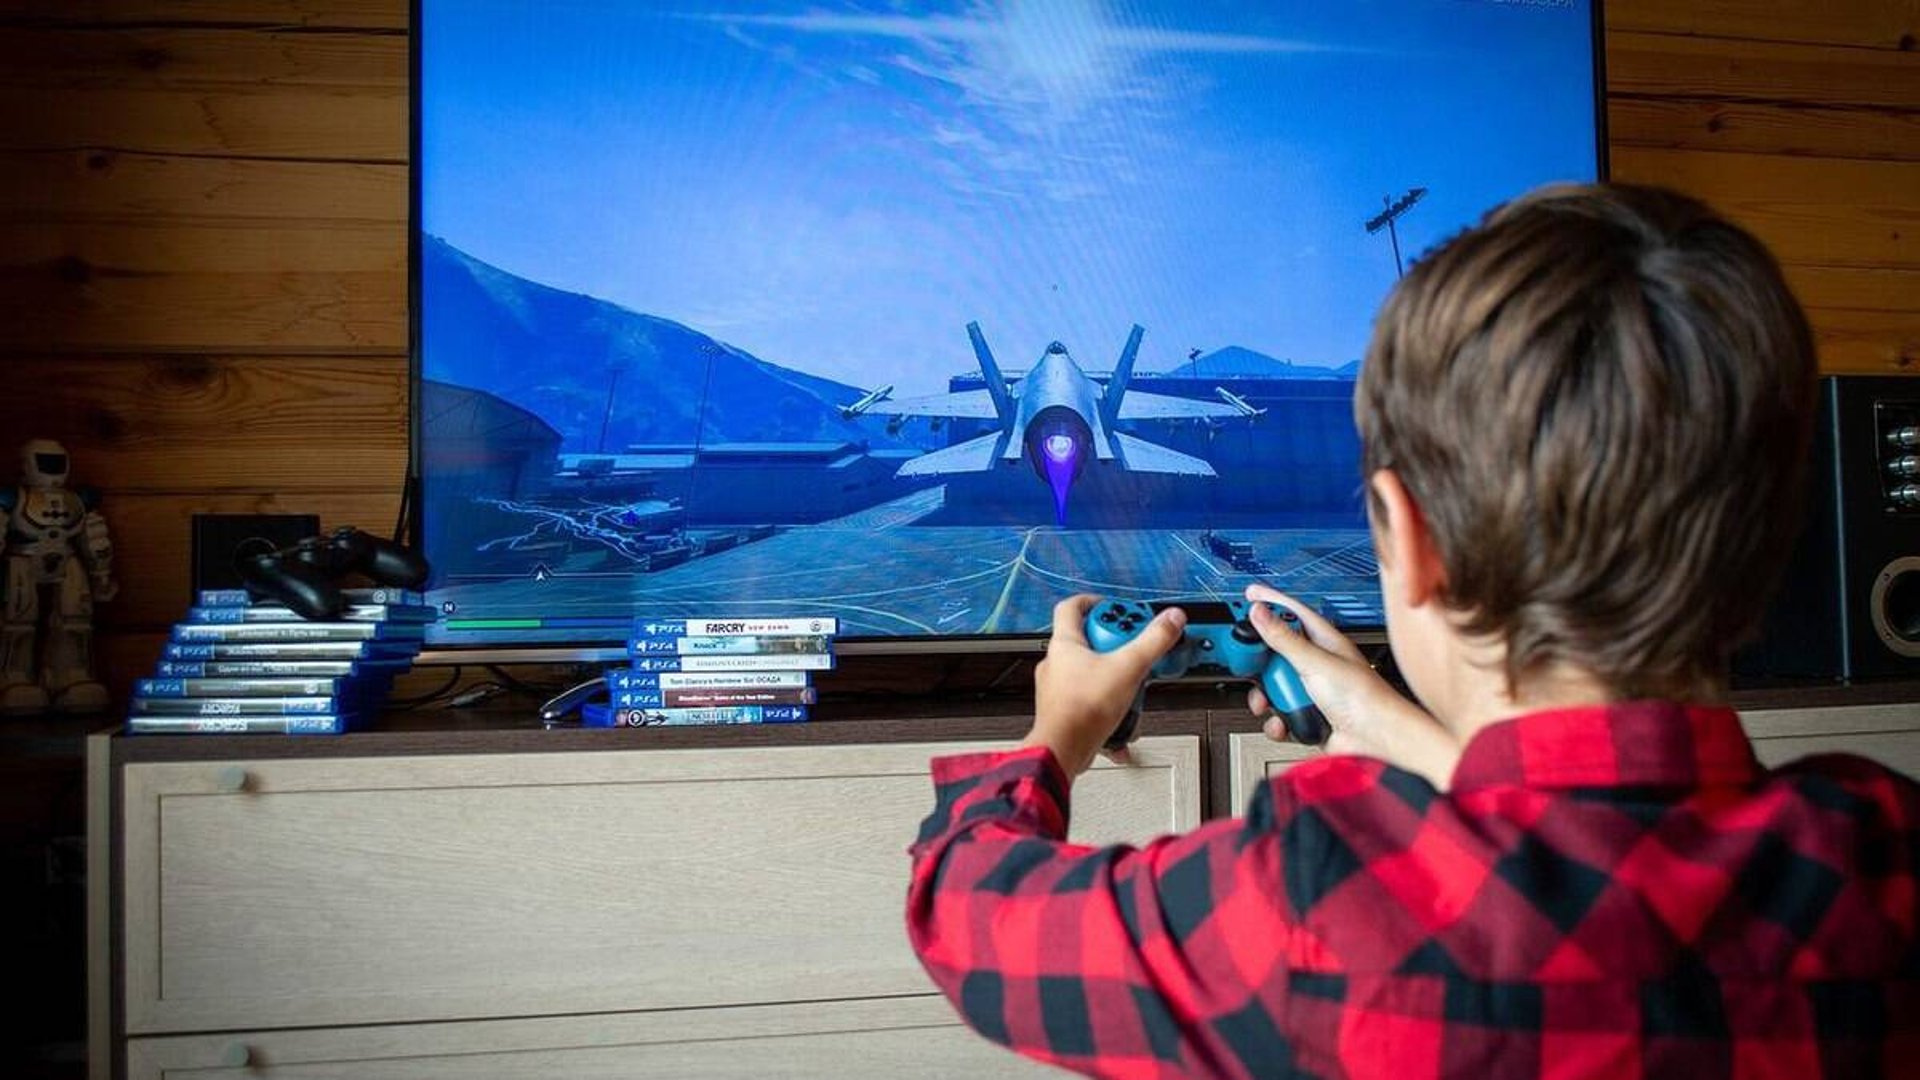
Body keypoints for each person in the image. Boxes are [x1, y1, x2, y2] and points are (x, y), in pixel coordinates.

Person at [906, 184, 1919, 1078]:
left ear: (1408, 537)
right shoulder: (1881, 853)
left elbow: (966, 909)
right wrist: (1402, 732)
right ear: (1774, 532)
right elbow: (1593, 867)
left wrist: (1055, 737)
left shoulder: (1322, 890)